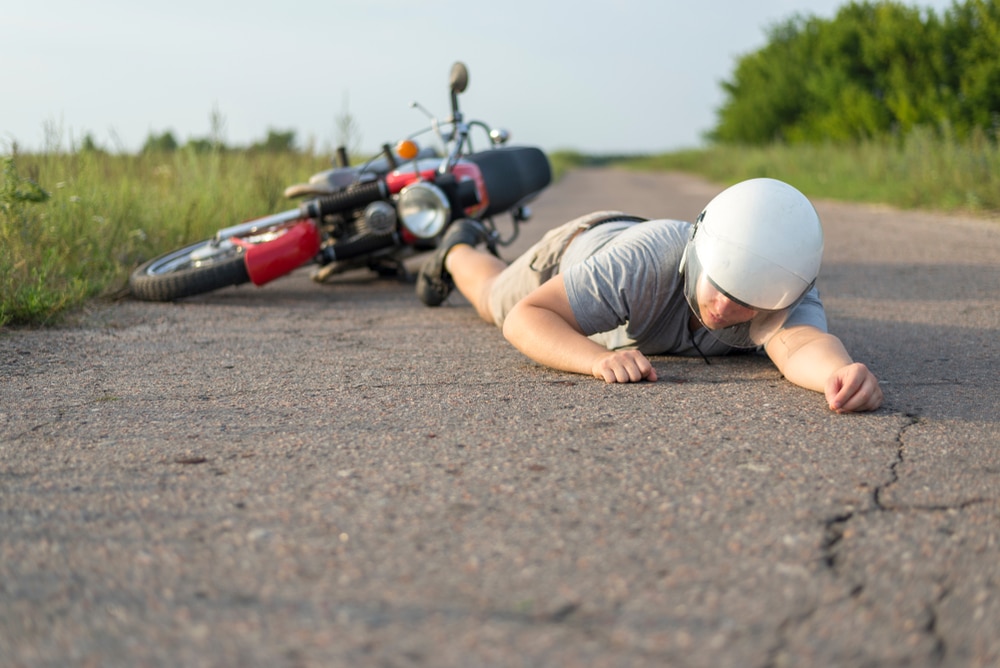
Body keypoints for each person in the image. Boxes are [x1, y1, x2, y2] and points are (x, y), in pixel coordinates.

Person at [415, 177, 883, 413]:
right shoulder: (643, 266)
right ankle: (457, 245)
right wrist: (594, 360)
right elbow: (526, 316)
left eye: (746, 302)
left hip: (630, 250)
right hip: (579, 248)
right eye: (717, 287)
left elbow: (802, 344)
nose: (723, 309)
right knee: (490, 296)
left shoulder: (782, 280)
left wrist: (838, 375)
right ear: (701, 254)